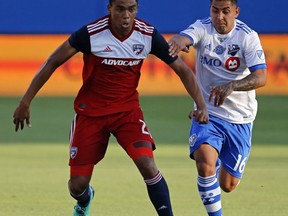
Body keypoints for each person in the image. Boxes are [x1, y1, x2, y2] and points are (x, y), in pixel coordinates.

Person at [13, 0, 209, 215]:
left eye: (131, 9)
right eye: (120, 9)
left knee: (148, 165)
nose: (126, 15)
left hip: (127, 113)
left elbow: (182, 70)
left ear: (137, 9)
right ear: (109, 8)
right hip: (91, 114)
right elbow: (53, 61)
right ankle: (85, 200)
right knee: (77, 186)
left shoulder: (147, 34)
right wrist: (25, 101)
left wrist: (201, 105)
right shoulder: (91, 33)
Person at [168, 0, 267, 215]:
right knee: (205, 164)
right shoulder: (203, 27)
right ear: (210, 10)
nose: (219, 17)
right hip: (208, 113)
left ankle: (221, 164)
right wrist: (177, 41)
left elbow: (261, 77)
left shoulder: (247, 36)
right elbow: (185, 37)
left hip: (240, 118)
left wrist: (233, 85)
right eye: (215, 10)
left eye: (225, 11)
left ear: (236, 12)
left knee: (228, 185)